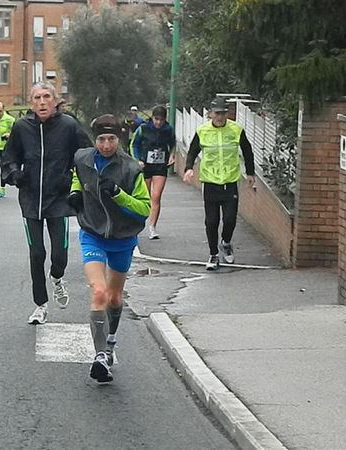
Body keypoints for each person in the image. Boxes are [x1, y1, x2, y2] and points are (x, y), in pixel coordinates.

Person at [68, 114, 151, 383]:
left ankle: (111, 341)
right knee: (99, 291)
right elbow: (78, 177)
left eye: (111, 139)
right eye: (101, 139)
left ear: (119, 139)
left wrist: (118, 194)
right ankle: (100, 355)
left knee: (114, 297)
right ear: (95, 140)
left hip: (122, 238)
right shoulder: (82, 159)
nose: (106, 145)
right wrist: (76, 192)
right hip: (92, 232)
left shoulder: (131, 169)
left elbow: (145, 209)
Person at [1, 81, 92, 324]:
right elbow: (9, 159)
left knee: (59, 254)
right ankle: (40, 305)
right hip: (30, 200)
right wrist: (14, 174)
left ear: (55, 100)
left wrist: (75, 181)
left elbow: (86, 156)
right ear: (31, 103)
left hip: (59, 200)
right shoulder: (22, 127)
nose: (42, 102)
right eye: (37, 98)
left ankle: (57, 277)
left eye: (46, 97)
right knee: (36, 253)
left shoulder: (69, 126)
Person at [182, 97, 255, 270]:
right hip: (210, 182)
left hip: (230, 181)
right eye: (217, 113)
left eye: (223, 113)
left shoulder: (236, 130)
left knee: (229, 219)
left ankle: (226, 242)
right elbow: (192, 150)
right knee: (212, 221)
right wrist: (188, 168)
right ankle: (213, 254)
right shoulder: (203, 131)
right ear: (210, 114)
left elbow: (247, 150)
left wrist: (250, 173)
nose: (220, 117)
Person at [130, 105, 176, 240]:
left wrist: (172, 155)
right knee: (145, 196)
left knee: (156, 196)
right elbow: (133, 144)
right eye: (156, 119)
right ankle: (137, 225)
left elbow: (173, 144)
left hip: (160, 166)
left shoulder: (168, 129)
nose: (158, 122)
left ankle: (152, 227)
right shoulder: (143, 129)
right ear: (152, 118)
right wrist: (137, 160)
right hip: (145, 166)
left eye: (161, 120)